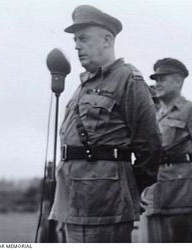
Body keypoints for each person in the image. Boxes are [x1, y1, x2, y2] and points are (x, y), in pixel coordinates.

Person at [48, 5, 161, 243]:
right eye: (75, 40)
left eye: (84, 38)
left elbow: (149, 146)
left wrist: (127, 191)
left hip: (103, 203)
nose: (77, 46)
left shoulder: (127, 78)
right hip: (72, 198)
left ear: (107, 40)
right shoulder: (82, 86)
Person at [140, 58, 192, 242]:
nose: (156, 84)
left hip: (181, 196)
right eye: (155, 79)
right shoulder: (153, 113)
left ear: (178, 81)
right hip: (153, 195)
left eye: (162, 79)